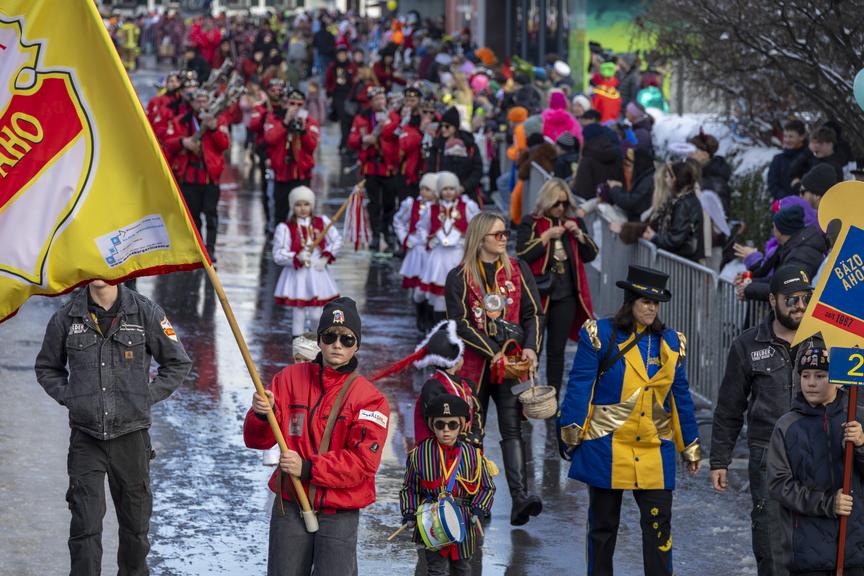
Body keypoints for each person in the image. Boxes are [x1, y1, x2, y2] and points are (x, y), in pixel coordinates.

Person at [35, 280, 192, 575]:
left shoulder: (146, 312)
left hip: (131, 437)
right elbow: (47, 367)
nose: (100, 273)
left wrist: (146, 397)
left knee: (135, 529)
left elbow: (177, 363)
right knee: (84, 526)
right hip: (86, 438)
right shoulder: (67, 316)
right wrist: (70, 397)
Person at [559, 265, 701, 576]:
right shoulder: (600, 334)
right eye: (645, 301)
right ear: (630, 301)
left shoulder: (672, 343)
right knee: (603, 528)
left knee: (659, 526)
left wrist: (689, 444)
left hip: (654, 448)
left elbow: (680, 397)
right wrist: (570, 430)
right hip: (606, 446)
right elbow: (581, 384)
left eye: (656, 303)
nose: (651, 308)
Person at [244, 298, 390, 576]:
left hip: (339, 512)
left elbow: (363, 463)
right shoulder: (287, 379)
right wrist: (262, 415)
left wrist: (309, 468)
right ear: (320, 341)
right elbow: (256, 441)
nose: (337, 344)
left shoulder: (371, 399)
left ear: (357, 345)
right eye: (330, 336)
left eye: (347, 339)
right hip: (290, 504)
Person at [711, 265, 814, 576]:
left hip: (817, 449)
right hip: (767, 450)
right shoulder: (747, 344)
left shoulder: (822, 340)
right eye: (791, 299)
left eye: (805, 298)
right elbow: (729, 406)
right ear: (772, 300)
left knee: (815, 536)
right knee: (769, 533)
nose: (799, 306)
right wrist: (719, 460)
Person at [444, 212, 544, 526]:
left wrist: (531, 347)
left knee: (513, 427)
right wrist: (492, 353)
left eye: (505, 234)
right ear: (481, 238)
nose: (504, 239)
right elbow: (459, 324)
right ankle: (476, 498)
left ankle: (520, 498)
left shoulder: (517, 268)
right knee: (472, 430)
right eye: (497, 234)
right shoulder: (459, 276)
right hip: (475, 365)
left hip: (513, 364)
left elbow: (533, 314)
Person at [767, 338, 864, 576]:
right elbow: (779, 485)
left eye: (820, 375)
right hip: (807, 553)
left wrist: (861, 445)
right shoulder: (787, 426)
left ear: (837, 379)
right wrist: (828, 503)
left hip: (854, 549)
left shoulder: (856, 419)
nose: (810, 383)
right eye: (805, 375)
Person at [516, 178, 598, 394]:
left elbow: (591, 255)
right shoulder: (531, 222)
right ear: (546, 202)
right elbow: (522, 255)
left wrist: (579, 235)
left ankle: (551, 397)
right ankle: (524, 396)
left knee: (556, 351)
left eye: (564, 204)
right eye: (556, 204)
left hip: (567, 296)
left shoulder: (573, 223)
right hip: (538, 295)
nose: (561, 208)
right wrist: (545, 237)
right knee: (531, 348)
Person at [399, 394, 495, 576]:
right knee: (436, 570)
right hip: (432, 518)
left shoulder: (474, 455)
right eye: (440, 424)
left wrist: (479, 509)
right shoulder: (418, 454)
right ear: (431, 425)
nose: (446, 431)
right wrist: (409, 512)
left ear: (462, 425)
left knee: (462, 569)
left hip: (464, 519)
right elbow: (409, 488)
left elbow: (486, 487)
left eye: (452, 425)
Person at [164, 89, 230, 260]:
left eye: (204, 101)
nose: (201, 105)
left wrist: (214, 128)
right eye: (198, 101)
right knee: (193, 216)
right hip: (189, 175)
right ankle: (197, 249)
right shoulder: (181, 121)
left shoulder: (219, 120)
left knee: (211, 214)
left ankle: (211, 249)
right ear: (192, 103)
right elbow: (167, 142)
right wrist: (183, 142)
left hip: (210, 175)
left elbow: (224, 145)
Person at [271, 186, 342, 337]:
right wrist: (296, 257)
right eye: (298, 204)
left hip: (317, 272)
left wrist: (326, 256)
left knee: (317, 314)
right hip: (297, 275)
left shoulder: (322, 222)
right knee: (298, 313)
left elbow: (336, 240)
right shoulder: (285, 228)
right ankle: (297, 346)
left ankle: (317, 341)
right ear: (292, 206)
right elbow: (278, 254)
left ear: (312, 205)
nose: (302, 208)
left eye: (306, 204)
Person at [418, 172, 480, 323]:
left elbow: (477, 225)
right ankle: (438, 327)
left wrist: (470, 243)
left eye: (451, 188)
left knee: (459, 291)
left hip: (458, 255)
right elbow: (421, 227)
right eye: (444, 188)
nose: (448, 192)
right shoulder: (431, 208)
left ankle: (458, 325)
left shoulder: (467, 206)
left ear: (457, 190)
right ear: (439, 191)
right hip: (438, 255)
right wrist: (427, 239)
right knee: (438, 295)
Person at [347, 85, 402, 253]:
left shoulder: (393, 116)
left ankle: (387, 230)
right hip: (371, 166)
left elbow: (396, 134)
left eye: (382, 99)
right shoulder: (361, 118)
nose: (380, 102)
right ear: (370, 102)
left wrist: (385, 125)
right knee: (374, 203)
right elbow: (352, 139)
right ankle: (376, 234)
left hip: (389, 166)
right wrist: (364, 138)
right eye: (376, 99)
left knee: (389, 202)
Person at [740, 205, 827, 302]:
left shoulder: (802, 255)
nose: (772, 230)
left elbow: (786, 288)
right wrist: (749, 283)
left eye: (773, 226)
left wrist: (749, 289)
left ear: (781, 231)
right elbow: (777, 280)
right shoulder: (791, 248)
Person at [263, 87, 321, 225]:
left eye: (299, 105)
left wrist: (303, 130)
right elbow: (270, 139)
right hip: (282, 174)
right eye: (292, 104)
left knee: (303, 213)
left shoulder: (311, 122)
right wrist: (285, 122)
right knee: (280, 212)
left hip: (302, 174)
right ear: (285, 104)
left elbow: (312, 146)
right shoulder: (274, 118)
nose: (295, 108)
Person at [263, 334, 322, 466]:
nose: (300, 364)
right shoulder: (286, 382)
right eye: (297, 359)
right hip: (289, 459)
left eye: (306, 359)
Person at [395, 172, 439, 332]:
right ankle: (420, 313)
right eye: (422, 188)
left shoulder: (440, 208)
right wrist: (405, 239)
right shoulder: (411, 204)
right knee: (418, 288)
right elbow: (398, 221)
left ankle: (430, 317)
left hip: (433, 252)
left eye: (428, 189)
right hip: (417, 251)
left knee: (432, 288)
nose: (423, 193)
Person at [642, 160, 705, 262]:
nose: (665, 180)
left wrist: (654, 237)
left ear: (674, 179)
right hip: (679, 259)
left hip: (682, 261)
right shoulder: (680, 200)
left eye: (667, 176)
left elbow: (676, 238)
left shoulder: (684, 204)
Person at [425, 107, 485, 204]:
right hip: (441, 195)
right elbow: (430, 169)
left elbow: (477, 170)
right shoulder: (437, 146)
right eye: (441, 126)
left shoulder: (470, 145)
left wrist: (463, 187)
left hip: (466, 194)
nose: (443, 129)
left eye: (447, 126)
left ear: (455, 127)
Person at [572, 109, 624, 201]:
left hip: (588, 206)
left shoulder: (588, 157)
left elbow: (581, 188)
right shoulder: (617, 153)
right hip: (611, 202)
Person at [688, 131, 732, 212]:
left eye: (693, 151)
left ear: (705, 154)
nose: (689, 154)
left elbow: (719, 214)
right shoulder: (698, 174)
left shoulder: (715, 182)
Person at [324, 45, 357, 152]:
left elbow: (355, 80)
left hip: (350, 96)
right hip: (338, 96)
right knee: (343, 119)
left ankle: (347, 142)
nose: (342, 56)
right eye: (340, 54)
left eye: (344, 54)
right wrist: (329, 93)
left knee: (349, 119)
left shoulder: (351, 66)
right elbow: (328, 81)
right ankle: (344, 142)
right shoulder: (333, 66)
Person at [767, 119, 809, 200]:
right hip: (781, 205)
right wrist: (787, 199)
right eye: (785, 136)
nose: (787, 140)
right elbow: (772, 185)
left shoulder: (810, 158)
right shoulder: (778, 159)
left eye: (791, 136)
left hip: (803, 206)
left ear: (802, 137)